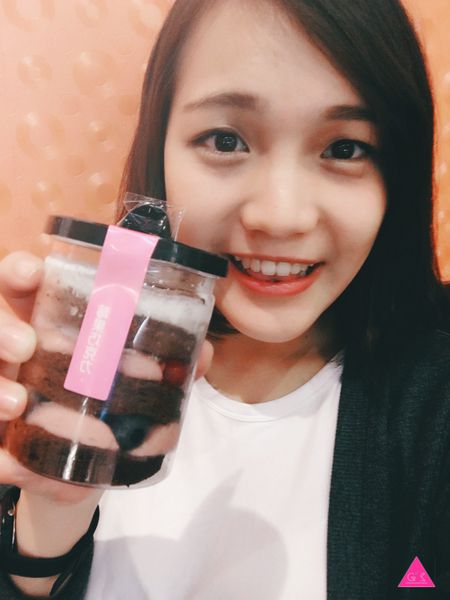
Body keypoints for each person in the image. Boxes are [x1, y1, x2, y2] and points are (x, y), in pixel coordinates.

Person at [1, 0, 450, 598]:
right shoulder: (76, 353)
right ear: (161, 147)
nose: (281, 216)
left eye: (344, 148)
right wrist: (50, 500)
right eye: (225, 139)